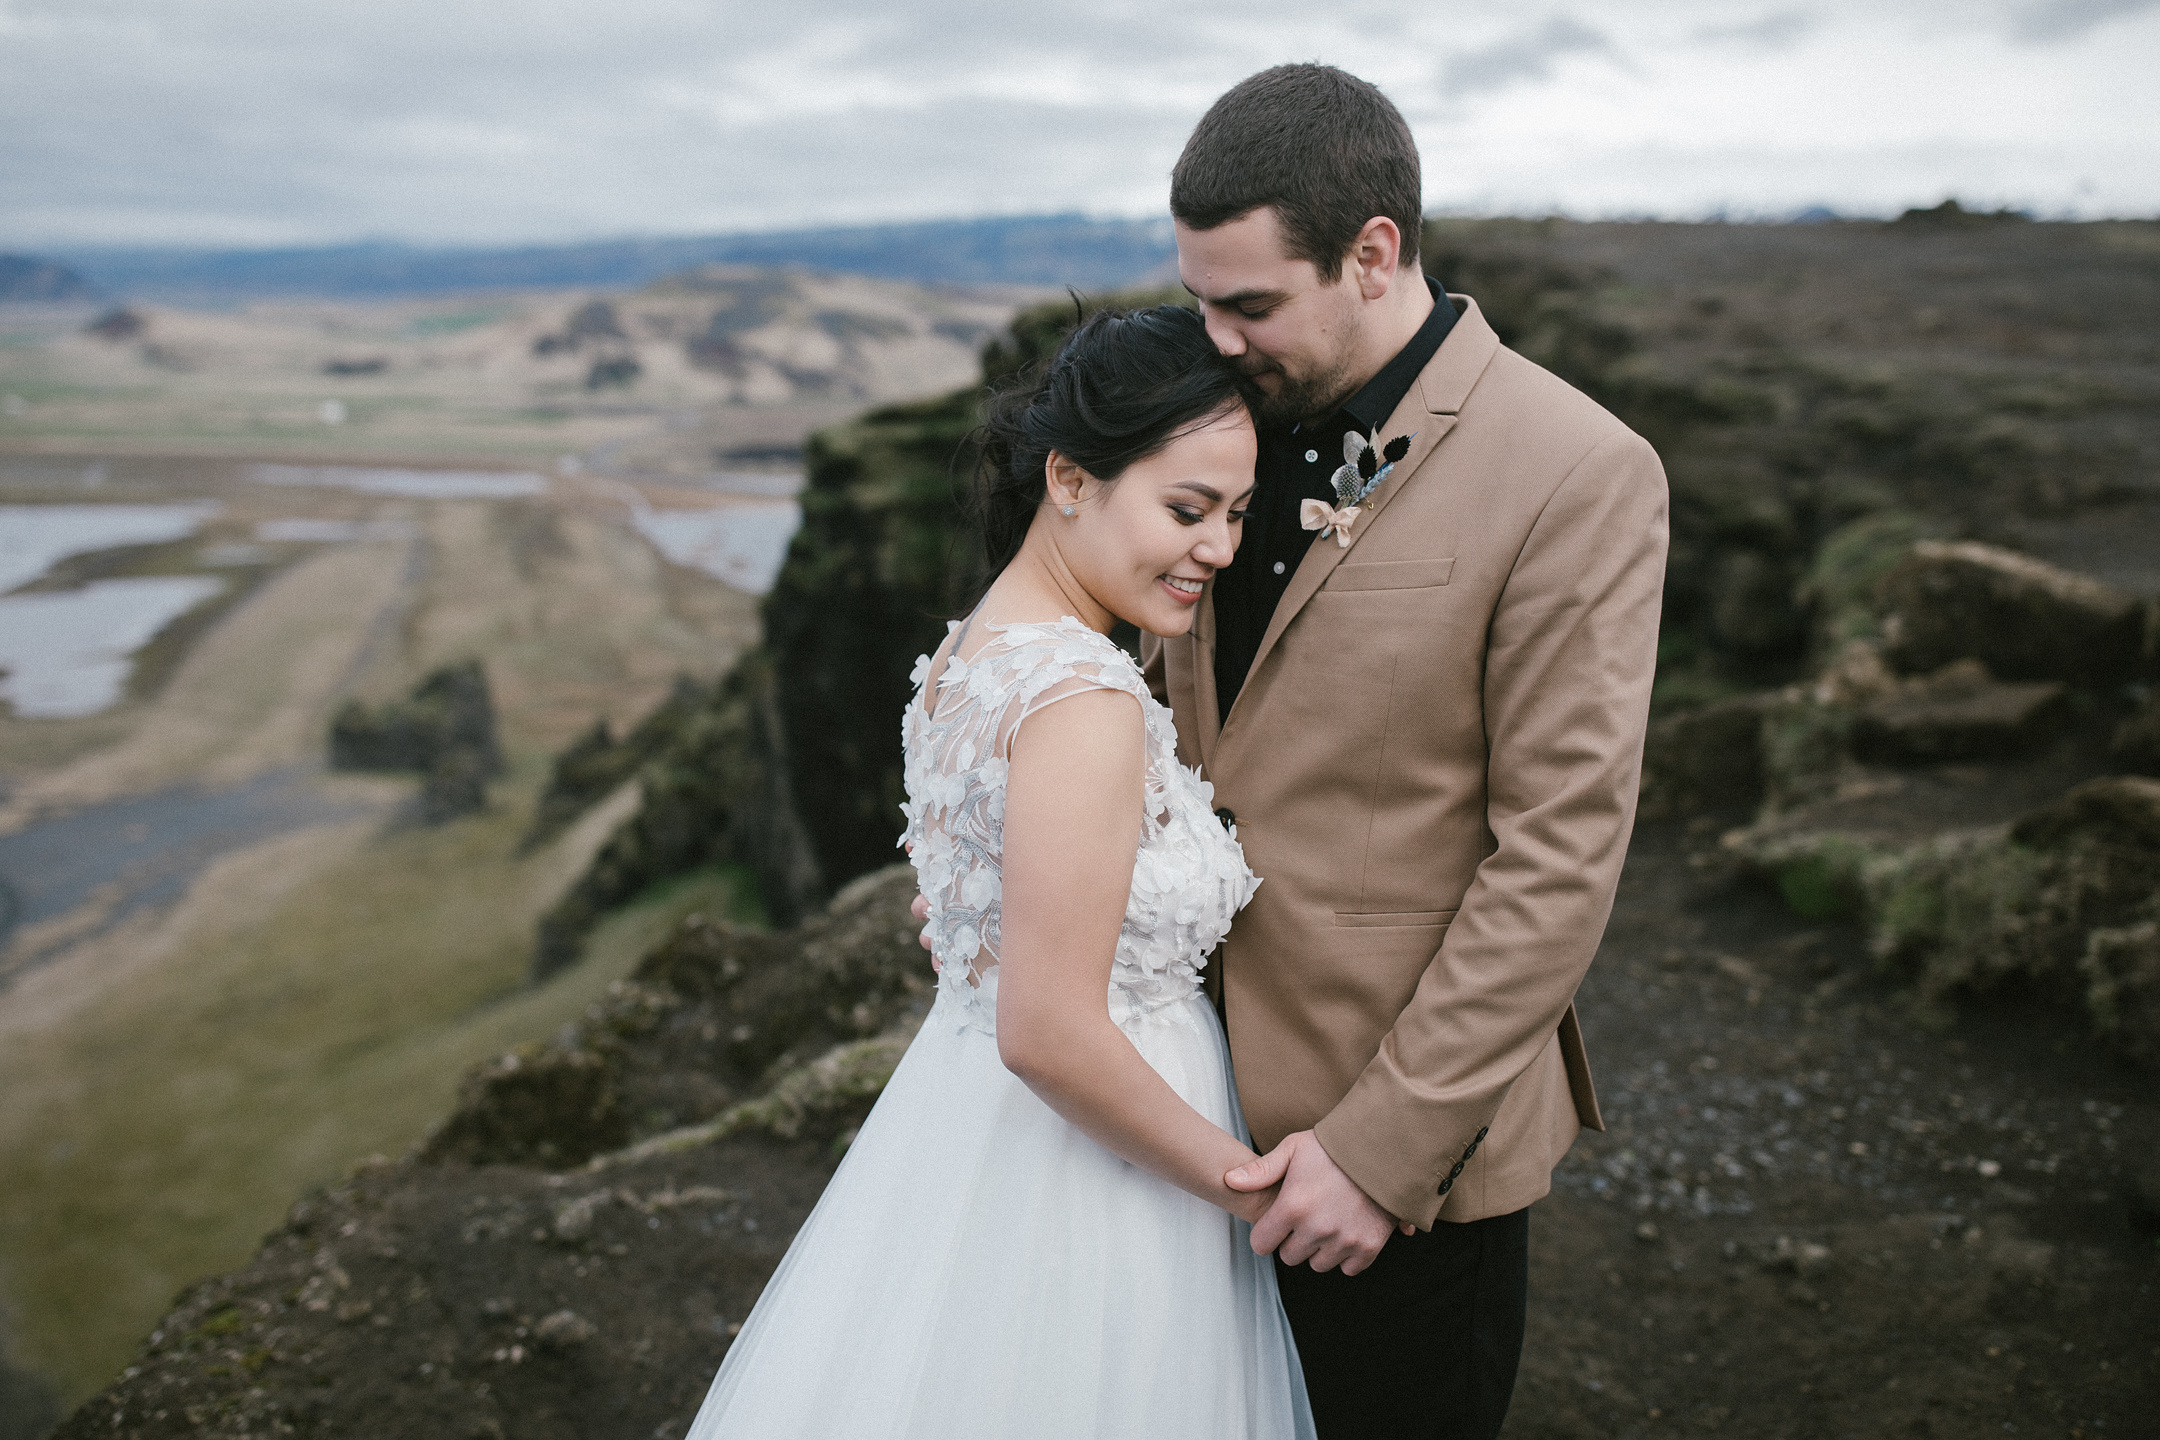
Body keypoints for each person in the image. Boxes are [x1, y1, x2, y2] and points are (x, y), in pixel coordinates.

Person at [1145, 64, 1671, 1439]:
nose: (1216, 336)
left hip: (1394, 1165)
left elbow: (1558, 854)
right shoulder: (1217, 422)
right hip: (1169, 1115)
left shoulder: (1578, 470)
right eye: (1200, 297)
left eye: (1249, 303)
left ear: (1374, 252)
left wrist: (1380, 1157)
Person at [682, 304, 1316, 1439]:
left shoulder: (972, 655)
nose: (1218, 548)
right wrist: (1246, 1186)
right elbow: (1048, 1030)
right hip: (1104, 1173)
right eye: (1187, 509)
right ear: (1069, 480)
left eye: (1235, 513)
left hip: (971, 1123)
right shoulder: (1082, 701)